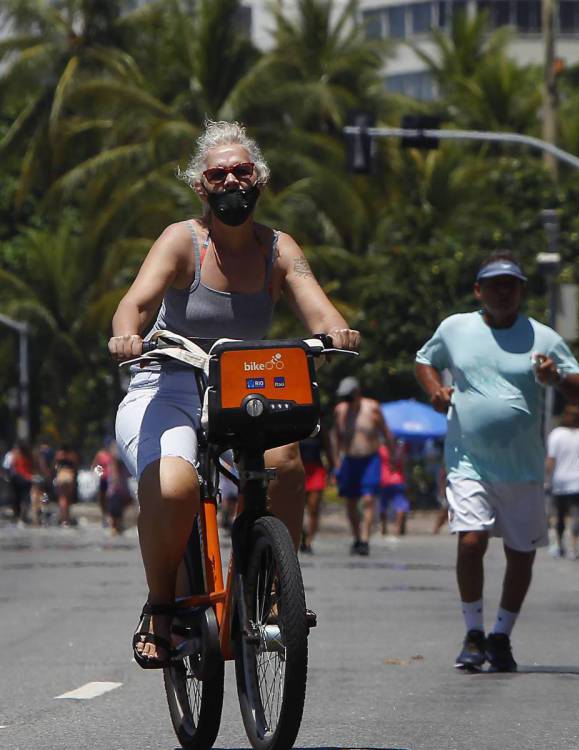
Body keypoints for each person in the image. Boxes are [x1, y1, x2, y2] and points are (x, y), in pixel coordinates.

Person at [110, 119, 359, 670]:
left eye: (241, 171)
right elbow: (136, 302)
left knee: (288, 462)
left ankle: (272, 589)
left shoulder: (278, 248)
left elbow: (319, 308)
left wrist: (337, 332)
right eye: (218, 174)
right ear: (201, 187)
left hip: (245, 385)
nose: (231, 182)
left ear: (259, 181)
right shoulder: (182, 241)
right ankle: (160, 608)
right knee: (174, 488)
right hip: (170, 382)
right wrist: (127, 333)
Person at [414, 251, 579, 672]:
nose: (503, 291)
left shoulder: (543, 338)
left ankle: (501, 636)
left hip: (523, 467)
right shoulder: (456, 328)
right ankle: (473, 633)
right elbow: (424, 361)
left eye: (511, 284)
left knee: (521, 555)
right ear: (479, 290)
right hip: (468, 460)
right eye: (494, 284)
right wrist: (436, 390)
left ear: (522, 290)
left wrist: (557, 378)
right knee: (471, 540)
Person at [332, 377, 394, 556]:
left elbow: (386, 432)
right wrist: (336, 461)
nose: (347, 401)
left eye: (349, 396)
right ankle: (357, 537)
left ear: (357, 393)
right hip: (350, 460)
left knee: (368, 499)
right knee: (351, 501)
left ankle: (365, 539)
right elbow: (336, 436)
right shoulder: (341, 411)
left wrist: (391, 455)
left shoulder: (372, 407)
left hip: (370, 459)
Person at [545, 404, 579, 560]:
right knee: (576, 514)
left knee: (560, 515)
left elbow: (550, 460)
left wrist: (547, 479)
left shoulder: (556, 434)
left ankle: (560, 545)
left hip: (560, 480)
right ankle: (574, 548)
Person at [298, 430, 334, 553]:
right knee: (297, 507)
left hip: (316, 470)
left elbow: (328, 448)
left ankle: (309, 541)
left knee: (313, 507)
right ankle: (300, 534)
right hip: (299, 469)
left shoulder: (319, 429)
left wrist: (332, 468)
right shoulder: (295, 426)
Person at [378, 441, 409, 536]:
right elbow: (403, 464)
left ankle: (383, 528)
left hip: (384, 480)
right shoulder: (400, 449)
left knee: (383, 505)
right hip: (398, 479)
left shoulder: (381, 449)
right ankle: (398, 528)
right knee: (400, 504)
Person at [3, 440, 34, 524]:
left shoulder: (12, 454)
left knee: (16, 497)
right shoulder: (27, 455)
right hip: (24, 478)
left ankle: (17, 515)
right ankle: (22, 515)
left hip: (16, 478)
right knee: (23, 497)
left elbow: (7, 465)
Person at [52, 445, 80, 526]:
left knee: (62, 498)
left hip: (61, 475)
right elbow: (75, 466)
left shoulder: (58, 455)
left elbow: (54, 465)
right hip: (69, 475)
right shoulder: (72, 455)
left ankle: (63, 518)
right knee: (68, 498)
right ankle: (66, 517)